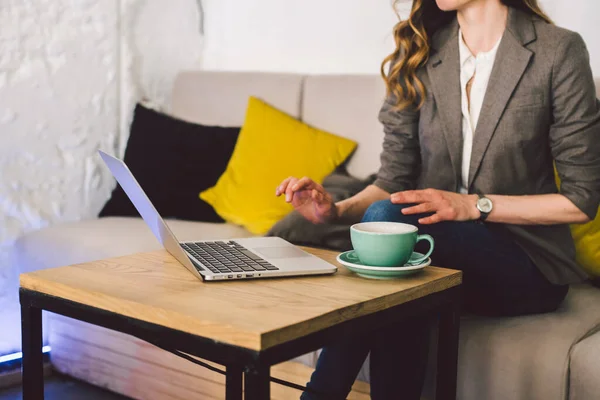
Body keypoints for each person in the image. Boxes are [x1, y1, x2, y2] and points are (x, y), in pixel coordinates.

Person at [275, 0, 600, 398]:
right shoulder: (420, 53)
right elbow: (392, 181)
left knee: (397, 247)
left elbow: (581, 200)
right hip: (430, 256)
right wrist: (335, 211)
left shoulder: (557, 50)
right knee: (401, 272)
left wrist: (474, 206)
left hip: (526, 262)